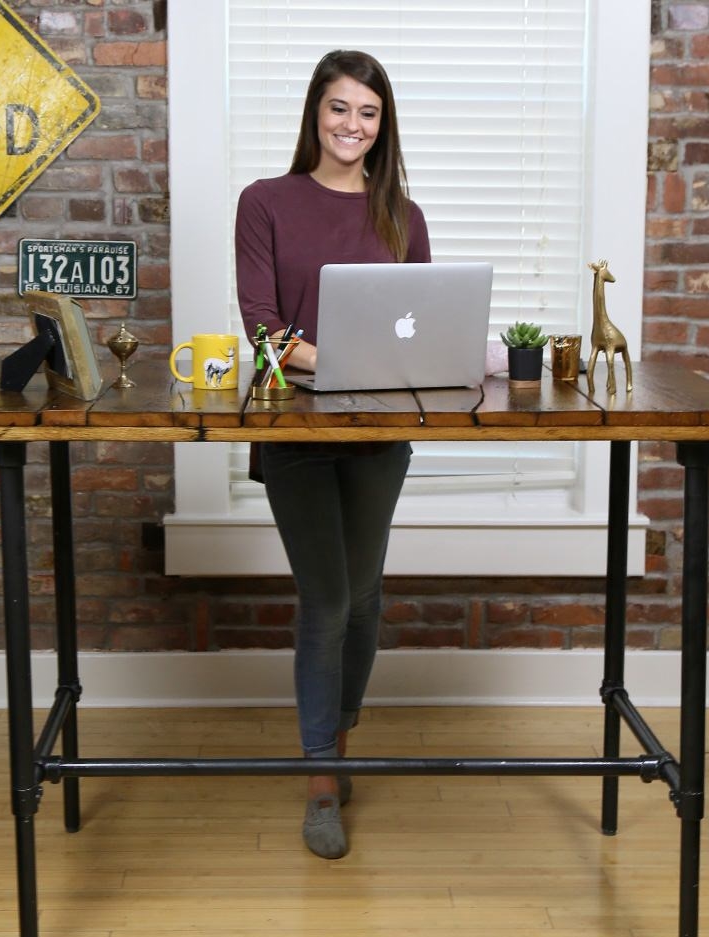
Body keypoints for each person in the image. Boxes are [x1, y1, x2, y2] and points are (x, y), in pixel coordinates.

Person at [235, 50, 431, 859]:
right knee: (326, 600)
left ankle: (336, 734)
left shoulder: (402, 215)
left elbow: (422, 323)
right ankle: (321, 777)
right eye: (339, 108)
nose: (353, 125)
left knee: (365, 597)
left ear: (383, 125)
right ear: (315, 113)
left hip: (381, 432)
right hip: (298, 432)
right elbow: (263, 328)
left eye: (369, 112)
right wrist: (340, 357)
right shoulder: (266, 202)